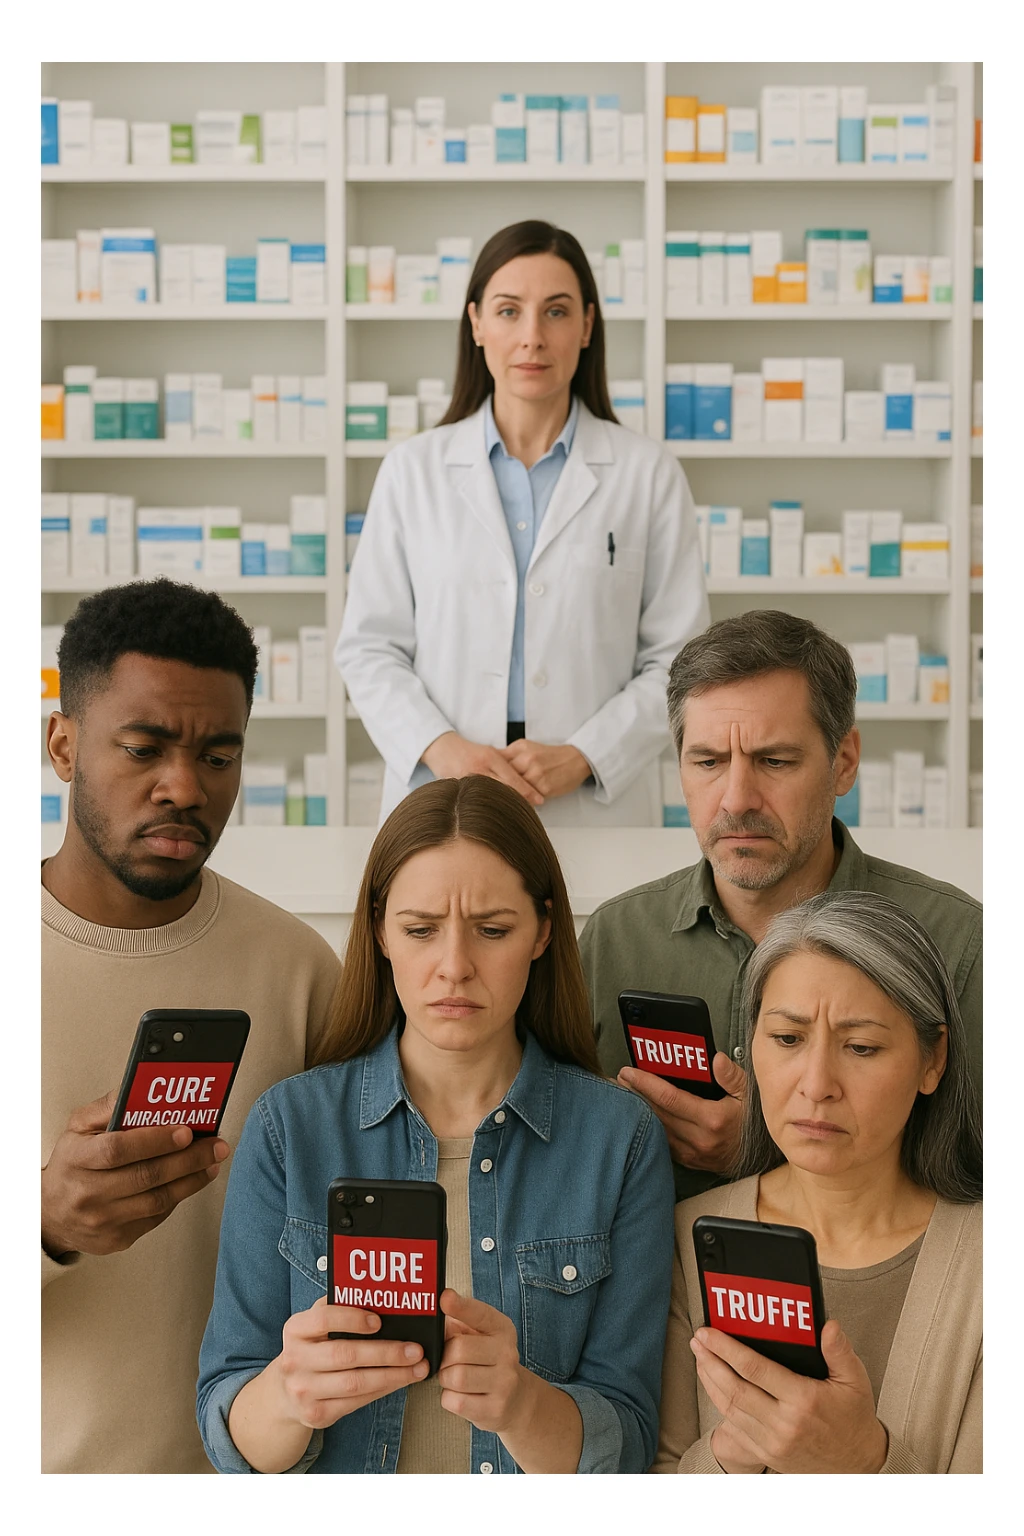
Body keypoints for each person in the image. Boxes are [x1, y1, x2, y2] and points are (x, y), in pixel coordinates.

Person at [197, 775, 674, 1474]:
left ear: (544, 929)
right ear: (382, 932)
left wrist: (522, 1405)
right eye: (420, 930)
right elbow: (227, 1419)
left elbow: (628, 1439)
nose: (453, 967)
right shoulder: (288, 1127)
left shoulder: (619, 1139)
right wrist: (286, 1396)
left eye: (493, 930)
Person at [42, 579, 342, 1474]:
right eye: (143, 748)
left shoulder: (301, 973)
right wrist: (44, 1225)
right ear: (62, 743)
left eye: (219, 757)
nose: (183, 786)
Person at [578, 610, 982, 1202]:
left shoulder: (957, 940)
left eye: (774, 761)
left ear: (843, 762)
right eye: (709, 762)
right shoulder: (616, 938)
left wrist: (778, 1143)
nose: (737, 800)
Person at [335, 219, 708, 828]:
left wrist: (585, 755)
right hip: (441, 794)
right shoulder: (413, 470)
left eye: (556, 312)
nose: (532, 336)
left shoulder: (647, 474)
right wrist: (442, 748)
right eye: (509, 311)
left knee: (600, 926)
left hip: (589, 800)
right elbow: (369, 648)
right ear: (477, 323)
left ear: (587, 325)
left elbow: (680, 659)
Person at [653, 889, 982, 1474]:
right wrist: (736, 1451)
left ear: (933, 1061)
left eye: (861, 1047)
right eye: (787, 1039)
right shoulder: (684, 1239)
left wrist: (860, 1459)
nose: (817, 1083)